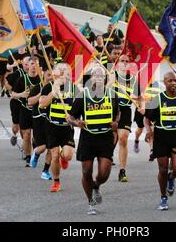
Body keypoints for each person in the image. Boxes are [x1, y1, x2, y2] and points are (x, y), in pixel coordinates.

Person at [67, 66, 120, 215]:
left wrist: (116, 123)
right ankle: (90, 202)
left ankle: (96, 185)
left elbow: (118, 114)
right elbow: (69, 117)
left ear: (105, 79)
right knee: (86, 171)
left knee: (104, 173)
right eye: (96, 76)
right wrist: (77, 123)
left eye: (102, 76)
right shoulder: (83, 96)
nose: (99, 79)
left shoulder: (112, 95)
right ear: (91, 79)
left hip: (105, 137)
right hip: (88, 137)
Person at [142, 72, 176, 210]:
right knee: (162, 169)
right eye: (170, 81)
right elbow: (146, 119)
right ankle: (163, 197)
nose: (173, 83)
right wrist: (149, 131)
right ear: (164, 82)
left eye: (175, 81)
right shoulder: (157, 99)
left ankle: (172, 178)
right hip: (161, 137)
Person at [39, 62, 76, 192]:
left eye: (65, 71)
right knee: (54, 156)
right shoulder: (48, 87)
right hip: (52, 127)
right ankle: (56, 182)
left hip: (67, 127)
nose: (62, 74)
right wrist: (53, 93)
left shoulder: (75, 89)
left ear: (70, 75)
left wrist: (73, 118)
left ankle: (63, 156)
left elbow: (80, 110)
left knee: (68, 155)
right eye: (59, 71)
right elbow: (42, 104)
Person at [113, 54, 140, 182]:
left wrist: (141, 105)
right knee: (111, 139)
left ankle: (122, 171)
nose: (124, 63)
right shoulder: (111, 76)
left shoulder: (133, 79)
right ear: (117, 63)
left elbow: (140, 96)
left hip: (125, 110)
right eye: (122, 61)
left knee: (123, 139)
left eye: (126, 61)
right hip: (111, 111)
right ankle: (107, 157)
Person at [11, 57, 41, 167]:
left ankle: (35, 153)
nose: (34, 66)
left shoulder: (41, 80)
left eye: (36, 64)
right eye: (32, 63)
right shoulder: (22, 79)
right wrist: (22, 94)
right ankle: (28, 158)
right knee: (26, 135)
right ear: (27, 66)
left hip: (38, 112)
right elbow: (13, 94)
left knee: (36, 137)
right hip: (25, 110)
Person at [28, 69, 53, 180]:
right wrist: (41, 94)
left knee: (51, 147)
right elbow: (30, 102)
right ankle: (36, 153)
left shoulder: (55, 88)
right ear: (43, 74)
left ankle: (45, 171)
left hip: (51, 120)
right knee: (42, 147)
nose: (51, 77)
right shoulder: (37, 87)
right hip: (38, 119)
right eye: (48, 75)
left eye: (53, 75)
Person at [133, 81, 162, 157]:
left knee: (151, 131)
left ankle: (152, 150)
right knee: (140, 129)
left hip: (151, 111)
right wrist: (139, 98)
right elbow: (133, 96)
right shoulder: (140, 83)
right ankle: (136, 140)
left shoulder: (156, 84)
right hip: (141, 110)